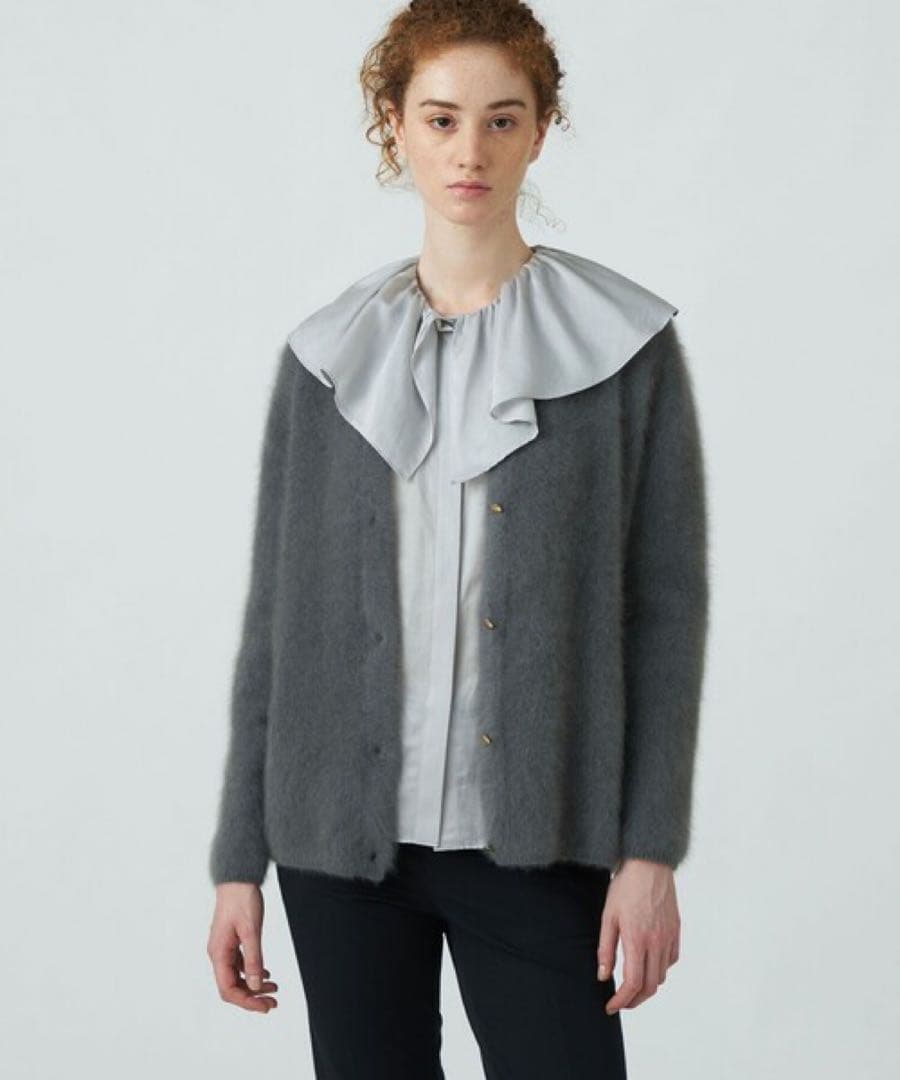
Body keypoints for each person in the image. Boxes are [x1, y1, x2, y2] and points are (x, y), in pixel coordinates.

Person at [206, 2, 710, 1077]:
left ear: (540, 130)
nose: (469, 151)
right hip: (338, 855)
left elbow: (666, 612)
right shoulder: (329, 356)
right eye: (440, 119)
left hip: (538, 845)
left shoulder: (623, 348)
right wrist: (238, 861)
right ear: (394, 127)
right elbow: (275, 624)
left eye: (500, 119)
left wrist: (650, 851)